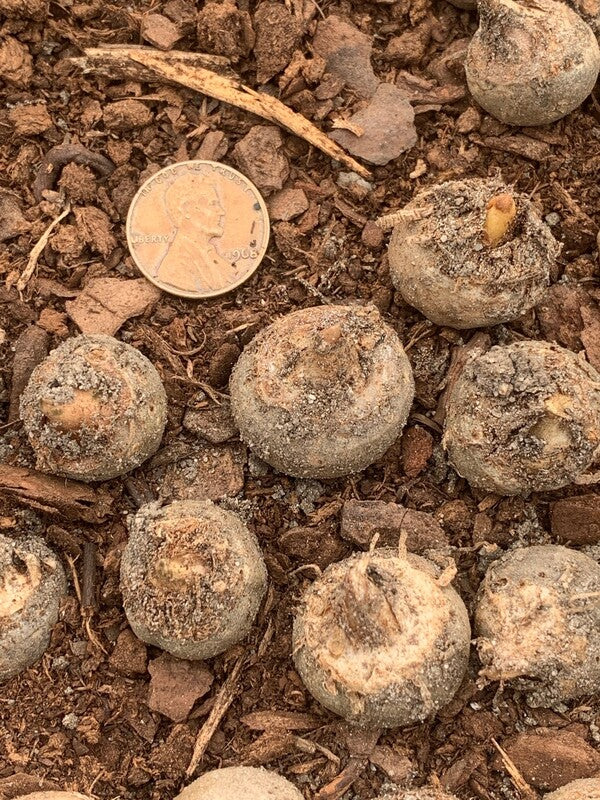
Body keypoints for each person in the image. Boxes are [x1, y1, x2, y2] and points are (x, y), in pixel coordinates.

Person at [157, 173, 239, 294]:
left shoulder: (211, 254)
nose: (221, 212)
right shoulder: (175, 268)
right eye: (213, 204)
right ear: (186, 209)